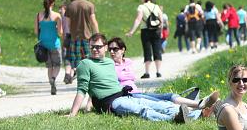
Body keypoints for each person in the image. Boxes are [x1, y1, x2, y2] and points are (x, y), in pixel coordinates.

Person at [67, 33, 196, 123]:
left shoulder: (109, 62)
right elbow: (82, 90)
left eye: (98, 47)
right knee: (142, 110)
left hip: (124, 95)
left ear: (105, 48)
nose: (95, 49)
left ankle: (196, 113)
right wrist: (73, 113)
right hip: (110, 103)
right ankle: (174, 119)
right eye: (92, 47)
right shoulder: (85, 64)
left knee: (156, 103)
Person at [107, 37, 218, 118]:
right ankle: (199, 110)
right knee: (162, 103)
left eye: (115, 49)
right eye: (110, 50)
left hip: (138, 92)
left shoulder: (129, 62)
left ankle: (199, 105)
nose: (112, 52)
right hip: (130, 95)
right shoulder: (109, 65)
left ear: (123, 50)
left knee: (168, 96)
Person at [64, 0, 99, 83]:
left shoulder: (70, 6)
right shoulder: (89, 5)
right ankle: (89, 77)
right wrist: (97, 35)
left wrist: (66, 37)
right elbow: (93, 22)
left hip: (75, 38)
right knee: (89, 58)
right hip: (87, 37)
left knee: (77, 60)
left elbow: (67, 25)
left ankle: (81, 78)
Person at [126, 0, 164, 78]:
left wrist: (132, 31)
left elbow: (138, 20)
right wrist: (160, 32)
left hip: (145, 31)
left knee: (147, 50)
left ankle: (147, 73)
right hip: (156, 31)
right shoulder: (156, 6)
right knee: (157, 50)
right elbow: (161, 21)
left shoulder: (141, 7)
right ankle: (158, 72)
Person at [35, 0, 63, 95]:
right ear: (53, 3)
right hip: (54, 43)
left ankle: (51, 83)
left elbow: (36, 31)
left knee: (49, 66)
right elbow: (60, 32)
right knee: (58, 64)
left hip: (43, 44)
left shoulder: (38, 15)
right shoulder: (57, 16)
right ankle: (53, 79)